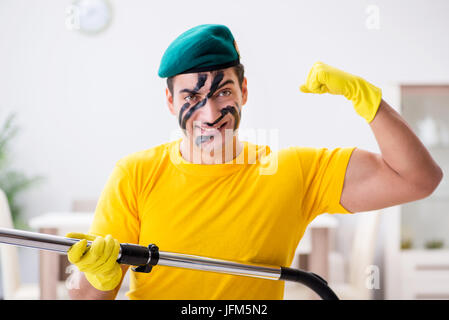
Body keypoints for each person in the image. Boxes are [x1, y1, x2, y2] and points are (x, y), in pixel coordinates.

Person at [66, 24, 443, 300]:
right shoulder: (135, 174)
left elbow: (418, 179)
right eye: (191, 96)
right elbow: (85, 299)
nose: (210, 112)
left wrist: (369, 102)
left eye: (223, 91)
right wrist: (96, 279)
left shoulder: (295, 171)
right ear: (170, 102)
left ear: (244, 91)